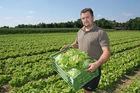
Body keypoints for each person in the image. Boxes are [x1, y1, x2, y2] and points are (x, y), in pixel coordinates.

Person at [60, 8, 110, 93]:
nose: (85, 20)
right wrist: (68, 47)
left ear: (93, 18)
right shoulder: (80, 31)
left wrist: (97, 64)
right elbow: (77, 44)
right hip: (80, 67)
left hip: (92, 67)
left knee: (87, 91)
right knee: (83, 89)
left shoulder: (100, 32)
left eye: (87, 17)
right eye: (83, 18)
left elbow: (107, 52)